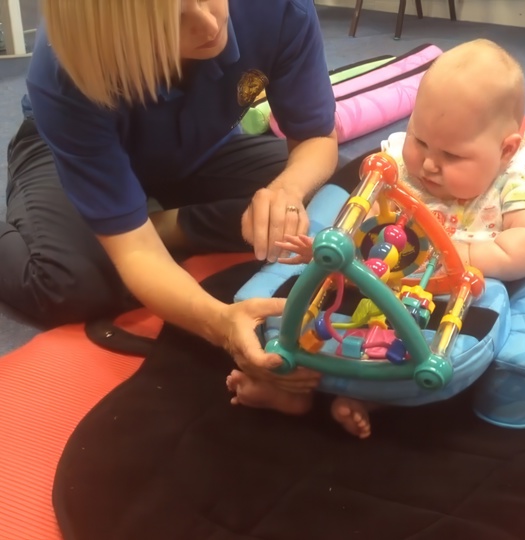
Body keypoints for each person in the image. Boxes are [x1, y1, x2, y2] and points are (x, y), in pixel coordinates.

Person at [226, 38, 525, 438]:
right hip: (378, 274)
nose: (429, 164)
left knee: (417, 348)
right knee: (317, 315)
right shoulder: (401, 165)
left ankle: (368, 401)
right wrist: (332, 249)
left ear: (505, 150)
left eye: (453, 156)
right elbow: (365, 222)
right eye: (420, 140)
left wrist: (465, 253)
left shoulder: (516, 177)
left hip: (447, 293)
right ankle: (290, 388)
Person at [0, 0, 340, 391]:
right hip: (67, 151)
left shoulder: (276, 7)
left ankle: (162, 226)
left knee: (336, 195)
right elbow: (136, 252)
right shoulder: (63, 68)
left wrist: (287, 189)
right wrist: (221, 324)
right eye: (175, 19)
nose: (209, 22)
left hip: (201, 141)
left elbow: (317, 138)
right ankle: (130, 223)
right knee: (66, 285)